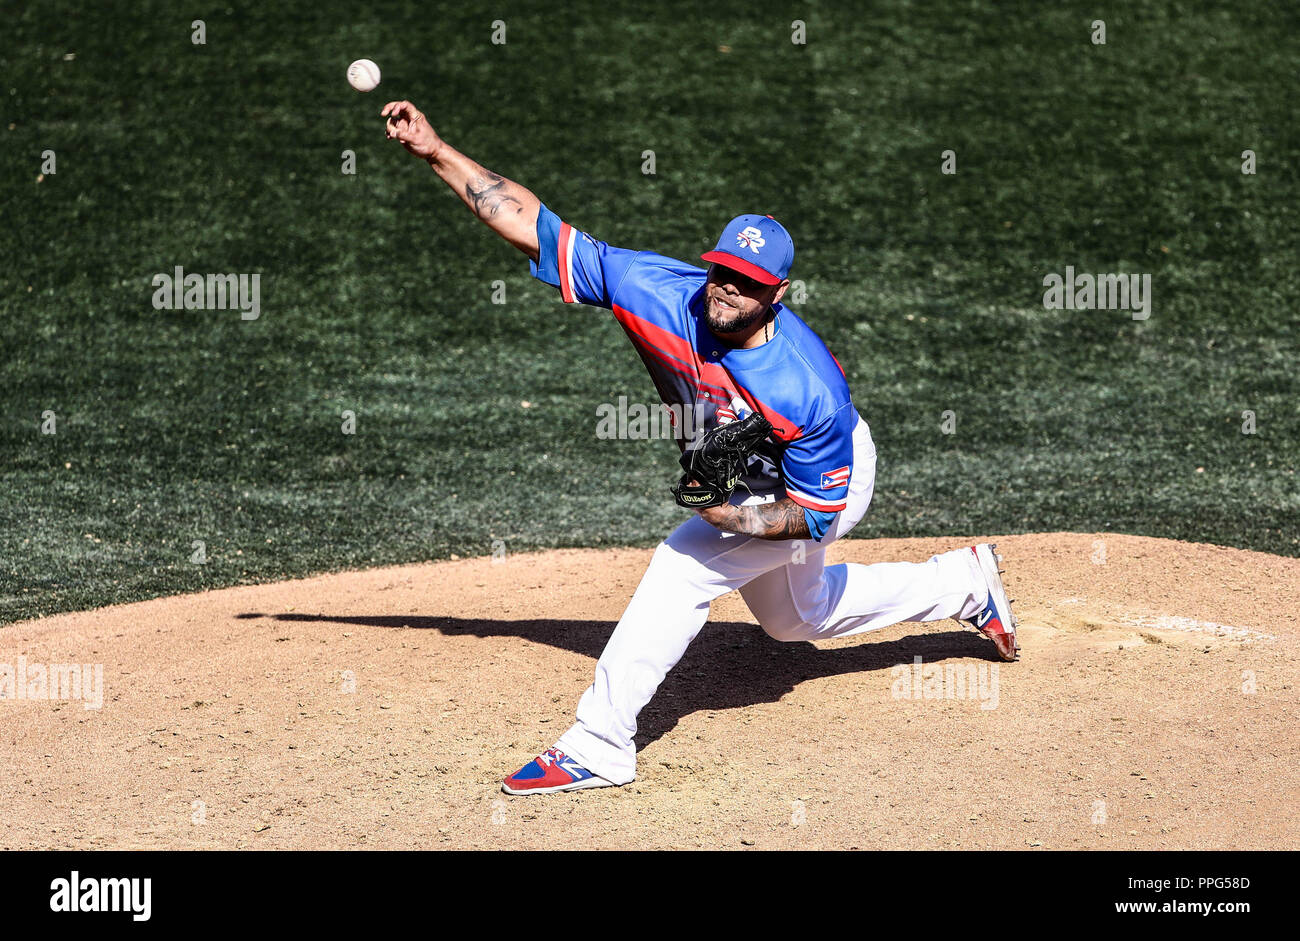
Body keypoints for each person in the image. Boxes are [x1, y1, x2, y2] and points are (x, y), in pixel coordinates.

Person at [381, 100, 1020, 796]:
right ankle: (964, 581)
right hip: (749, 480)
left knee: (683, 565)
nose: (726, 290)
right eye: (721, 271)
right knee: (794, 618)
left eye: (747, 284)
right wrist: (438, 150)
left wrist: (728, 517)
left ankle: (600, 742)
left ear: (774, 295)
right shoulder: (657, 291)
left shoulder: (806, 390)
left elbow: (811, 515)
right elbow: (536, 227)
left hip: (816, 482)